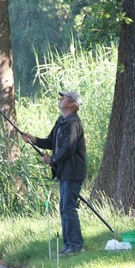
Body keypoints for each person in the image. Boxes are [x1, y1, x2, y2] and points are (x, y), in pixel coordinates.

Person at [21, 90, 86, 255]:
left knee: (68, 208)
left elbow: (69, 148)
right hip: (64, 172)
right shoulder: (61, 121)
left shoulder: (73, 123)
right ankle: (69, 245)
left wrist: (53, 160)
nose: (60, 99)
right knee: (64, 208)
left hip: (73, 171)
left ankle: (75, 245)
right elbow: (51, 142)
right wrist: (34, 139)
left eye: (63, 97)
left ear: (72, 104)